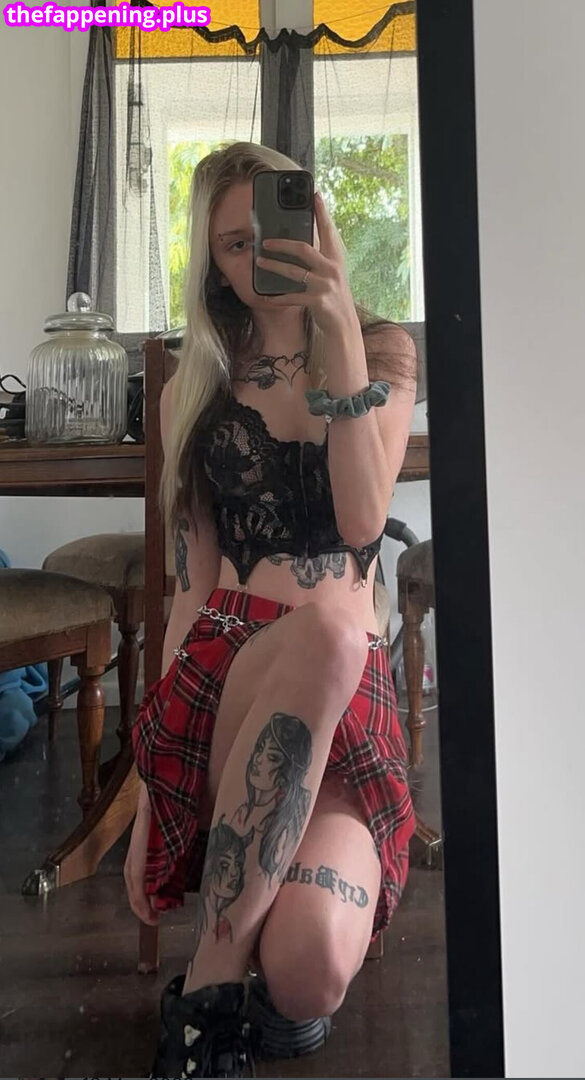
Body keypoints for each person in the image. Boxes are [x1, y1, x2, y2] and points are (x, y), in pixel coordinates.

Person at [125, 141, 418, 1078]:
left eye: (274, 230)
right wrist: (147, 794)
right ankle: (211, 1000)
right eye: (233, 243)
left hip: (348, 688)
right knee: (328, 631)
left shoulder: (381, 351)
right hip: (230, 675)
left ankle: (253, 983)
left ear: (316, 224)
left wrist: (336, 327)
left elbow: (362, 520)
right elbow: (187, 589)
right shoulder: (194, 386)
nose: (260, 256)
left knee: (310, 965)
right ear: (212, 265)